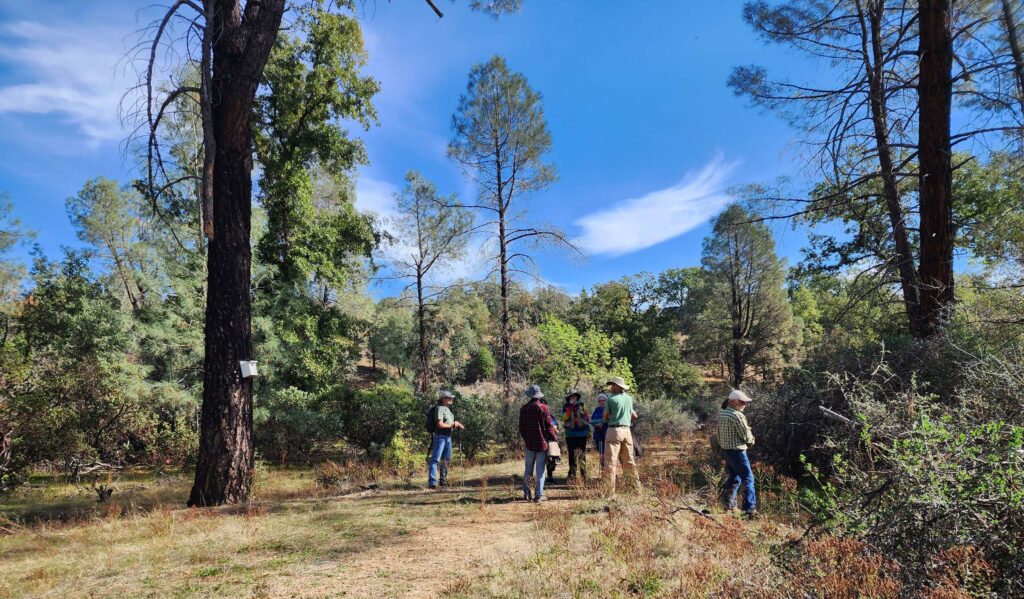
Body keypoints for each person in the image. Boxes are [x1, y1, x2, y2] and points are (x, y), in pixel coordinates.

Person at [717, 389, 757, 517]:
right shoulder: (737, 415)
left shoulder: (722, 414)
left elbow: (718, 434)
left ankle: (729, 506)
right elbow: (746, 436)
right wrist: (751, 441)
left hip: (726, 451)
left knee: (734, 478)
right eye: (742, 402)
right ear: (733, 402)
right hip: (738, 451)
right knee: (748, 479)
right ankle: (749, 509)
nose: (744, 404)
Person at [602, 377, 641, 498]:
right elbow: (634, 415)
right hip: (627, 431)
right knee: (629, 461)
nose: (611, 387)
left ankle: (609, 493)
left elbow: (605, 417)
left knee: (610, 462)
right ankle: (636, 490)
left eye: (612, 385)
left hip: (614, 430)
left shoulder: (610, 399)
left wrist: (613, 418)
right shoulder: (629, 399)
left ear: (617, 386)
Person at [519, 384, 558, 502]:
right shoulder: (544, 408)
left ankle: (526, 493)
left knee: (528, 469)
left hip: (529, 444)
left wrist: (526, 439)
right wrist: (553, 438)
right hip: (542, 444)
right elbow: (549, 426)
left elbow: (521, 427)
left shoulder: (524, 408)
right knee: (540, 470)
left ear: (530, 395)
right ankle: (539, 494)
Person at [427, 390, 464, 490]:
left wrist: (456, 423)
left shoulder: (447, 410)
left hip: (447, 437)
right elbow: (440, 424)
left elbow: (448, 423)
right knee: (435, 459)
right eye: (449, 398)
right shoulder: (440, 409)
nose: (452, 399)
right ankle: (432, 483)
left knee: (446, 460)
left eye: (452, 398)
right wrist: (453, 425)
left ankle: (443, 481)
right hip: (440, 437)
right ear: (443, 398)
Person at [561, 390, 590, 482]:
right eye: (571, 396)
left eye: (575, 396)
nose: (573, 397)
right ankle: (572, 474)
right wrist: (570, 406)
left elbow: (587, 417)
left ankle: (583, 473)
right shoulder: (565, 406)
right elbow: (564, 417)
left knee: (582, 454)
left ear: (577, 397)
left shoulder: (583, 405)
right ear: (568, 398)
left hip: (582, 433)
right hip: (570, 434)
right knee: (572, 454)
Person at [590, 394, 607, 469]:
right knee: (600, 453)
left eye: (603, 400)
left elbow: (607, 420)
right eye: (600, 401)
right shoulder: (597, 409)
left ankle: (607, 469)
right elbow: (591, 420)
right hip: (597, 433)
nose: (601, 402)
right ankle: (602, 469)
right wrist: (597, 423)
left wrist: (601, 422)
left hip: (606, 433)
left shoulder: (607, 409)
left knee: (607, 453)